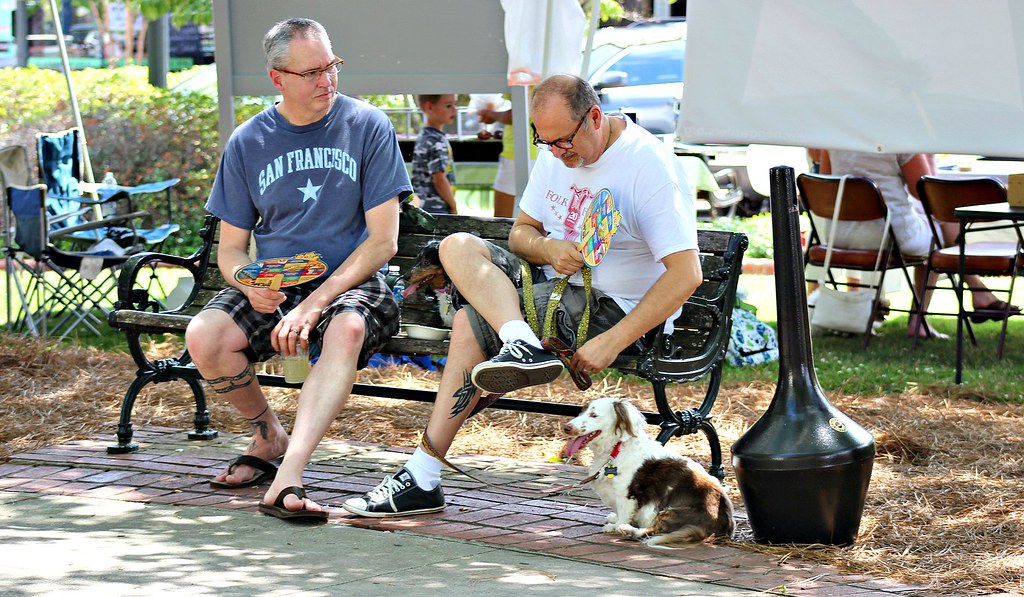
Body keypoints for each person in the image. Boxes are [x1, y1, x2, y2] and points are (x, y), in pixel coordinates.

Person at [342, 73, 702, 518]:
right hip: (553, 290)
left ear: (594, 117)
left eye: (563, 142)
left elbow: (686, 275)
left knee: (468, 322)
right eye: (544, 142)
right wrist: (548, 247)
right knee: (456, 245)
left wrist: (613, 340)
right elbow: (521, 234)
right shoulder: (558, 150)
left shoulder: (648, 166)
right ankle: (520, 342)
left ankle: (422, 475)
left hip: (613, 307)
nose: (555, 153)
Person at [184, 18, 412, 520]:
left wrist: (313, 304)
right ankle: (268, 438)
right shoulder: (248, 142)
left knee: (346, 328)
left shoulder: (368, 126)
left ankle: (289, 474)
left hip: (354, 280)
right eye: (311, 73)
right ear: (278, 78)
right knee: (204, 335)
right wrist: (252, 283)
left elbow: (383, 242)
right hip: (279, 280)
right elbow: (231, 251)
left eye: (331, 66)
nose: (327, 81)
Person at [819, 150, 1018, 338]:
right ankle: (920, 317)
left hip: (840, 233)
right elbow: (924, 191)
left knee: (934, 223)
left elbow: (825, 184)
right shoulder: (900, 139)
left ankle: (979, 292)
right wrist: (927, 155)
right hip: (887, 235)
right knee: (939, 230)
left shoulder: (836, 138)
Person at [477, 99, 537, 218]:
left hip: (518, 155)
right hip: (522, 153)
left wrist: (492, 114)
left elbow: (523, 111)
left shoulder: (528, 82)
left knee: (502, 221)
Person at [411, 94, 458, 214]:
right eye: (448, 105)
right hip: (435, 209)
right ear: (429, 107)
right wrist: (453, 205)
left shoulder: (425, 136)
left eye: (455, 104)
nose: (454, 109)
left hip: (421, 207)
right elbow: (439, 179)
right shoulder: (436, 141)